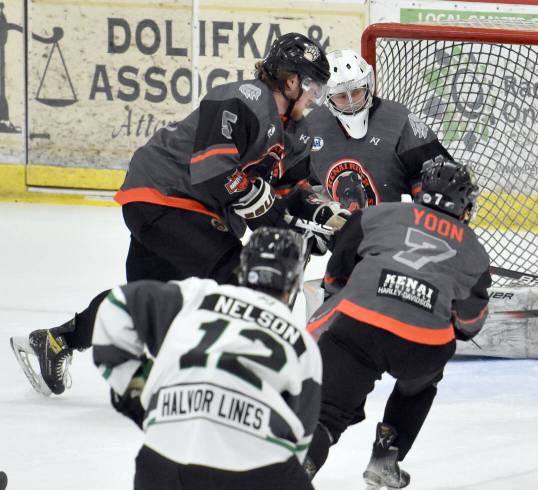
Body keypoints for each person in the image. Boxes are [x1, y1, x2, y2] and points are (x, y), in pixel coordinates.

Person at [10, 33, 343, 397]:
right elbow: (215, 168)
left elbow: (288, 191)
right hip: (166, 195)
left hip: (175, 204)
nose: (315, 98)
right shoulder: (241, 98)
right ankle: (233, 379)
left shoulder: (293, 130)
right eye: (313, 86)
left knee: (142, 302)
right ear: (291, 81)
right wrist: (271, 213)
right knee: (240, 273)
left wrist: (320, 217)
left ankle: (57, 341)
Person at [301, 159, 491, 488]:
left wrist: (341, 290)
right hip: (422, 344)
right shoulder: (473, 248)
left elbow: (340, 263)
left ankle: (295, 473)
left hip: (359, 324)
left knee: (327, 414)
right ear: (464, 203)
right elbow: (470, 323)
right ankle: (385, 457)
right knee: (419, 386)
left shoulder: (380, 214)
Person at [91, 228, 322, 490]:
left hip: (160, 462)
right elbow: (300, 439)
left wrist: (137, 388)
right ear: (292, 281)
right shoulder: (302, 342)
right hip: (253, 469)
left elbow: (117, 304)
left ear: (244, 268)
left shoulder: (198, 295)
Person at [303, 49, 453, 212]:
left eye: (356, 92)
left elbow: (441, 175)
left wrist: (422, 208)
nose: (352, 102)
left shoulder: (398, 119)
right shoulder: (313, 126)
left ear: (368, 85)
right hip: (343, 233)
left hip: (394, 230)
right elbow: (306, 185)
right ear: (327, 96)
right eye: (342, 97)